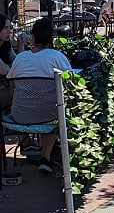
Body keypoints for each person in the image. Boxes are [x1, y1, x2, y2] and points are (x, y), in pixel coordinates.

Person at [7, 18, 72, 173]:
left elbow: (11, 86)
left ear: (33, 37)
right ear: (51, 39)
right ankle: (46, 157)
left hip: (20, 115)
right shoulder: (57, 57)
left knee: (33, 104)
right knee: (53, 114)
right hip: (48, 115)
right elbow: (70, 83)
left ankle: (27, 143)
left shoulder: (20, 58)